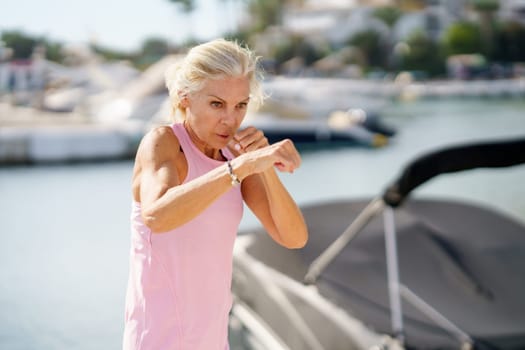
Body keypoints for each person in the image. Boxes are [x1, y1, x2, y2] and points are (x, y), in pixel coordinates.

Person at [122, 38, 308, 350]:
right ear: (185, 98)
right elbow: (157, 215)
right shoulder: (165, 143)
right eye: (216, 104)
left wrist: (263, 164)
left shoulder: (234, 156)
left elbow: (294, 237)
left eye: (241, 106)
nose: (230, 119)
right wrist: (240, 167)